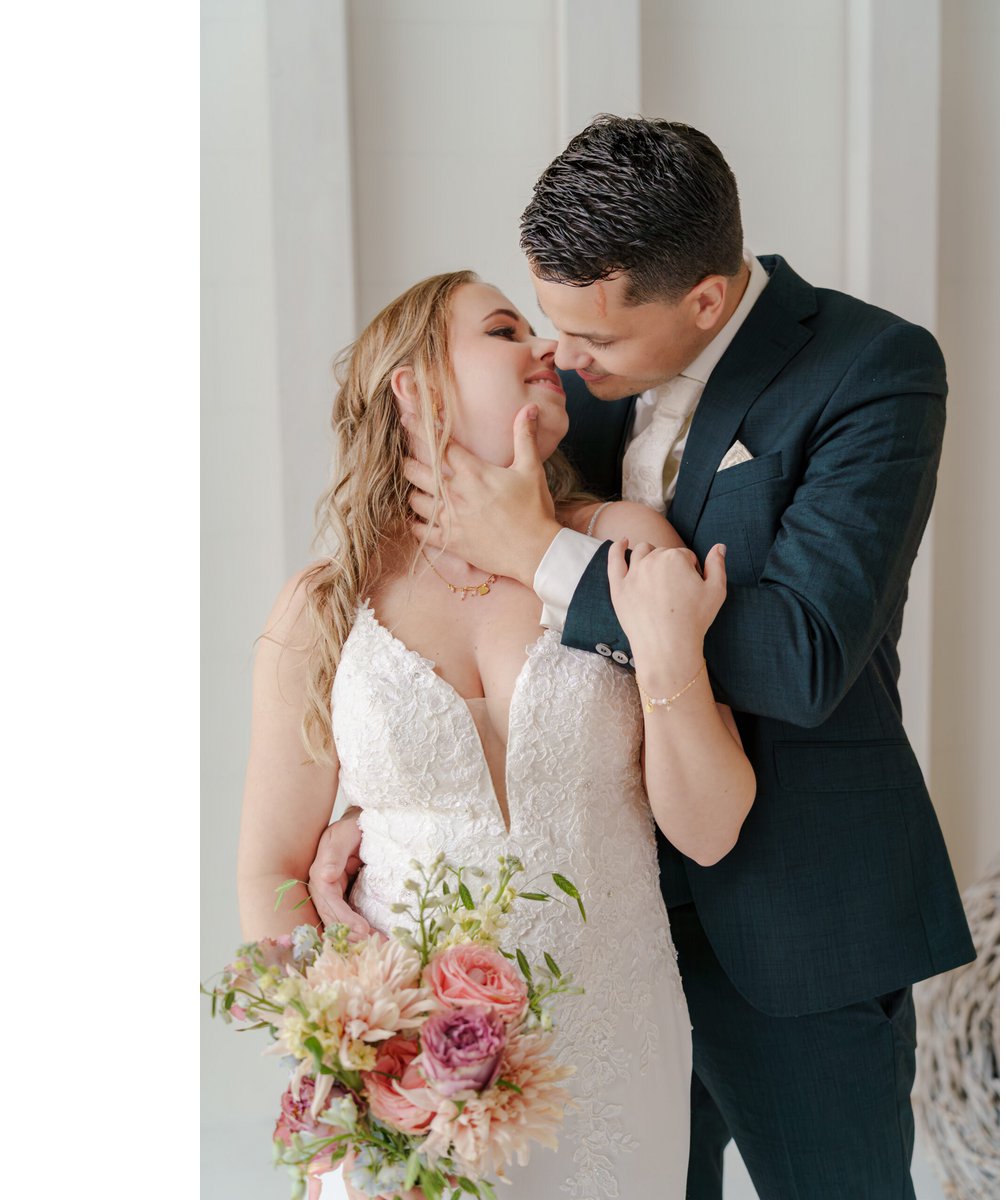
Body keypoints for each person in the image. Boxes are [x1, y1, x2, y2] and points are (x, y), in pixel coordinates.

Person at [311, 117, 978, 1198]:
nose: (559, 360)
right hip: (592, 948)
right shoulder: (564, 379)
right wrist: (395, 799)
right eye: (546, 326)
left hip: (795, 924)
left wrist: (539, 555)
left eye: (595, 343)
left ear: (705, 300)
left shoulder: (873, 370)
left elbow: (806, 657)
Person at [237, 268, 759, 1200]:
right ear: (415, 385)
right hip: (406, 1067)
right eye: (504, 329)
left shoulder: (628, 546)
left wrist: (671, 647)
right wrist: (340, 1044)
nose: (547, 349)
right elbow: (269, 864)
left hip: (610, 1044)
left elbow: (711, 829)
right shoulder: (325, 605)